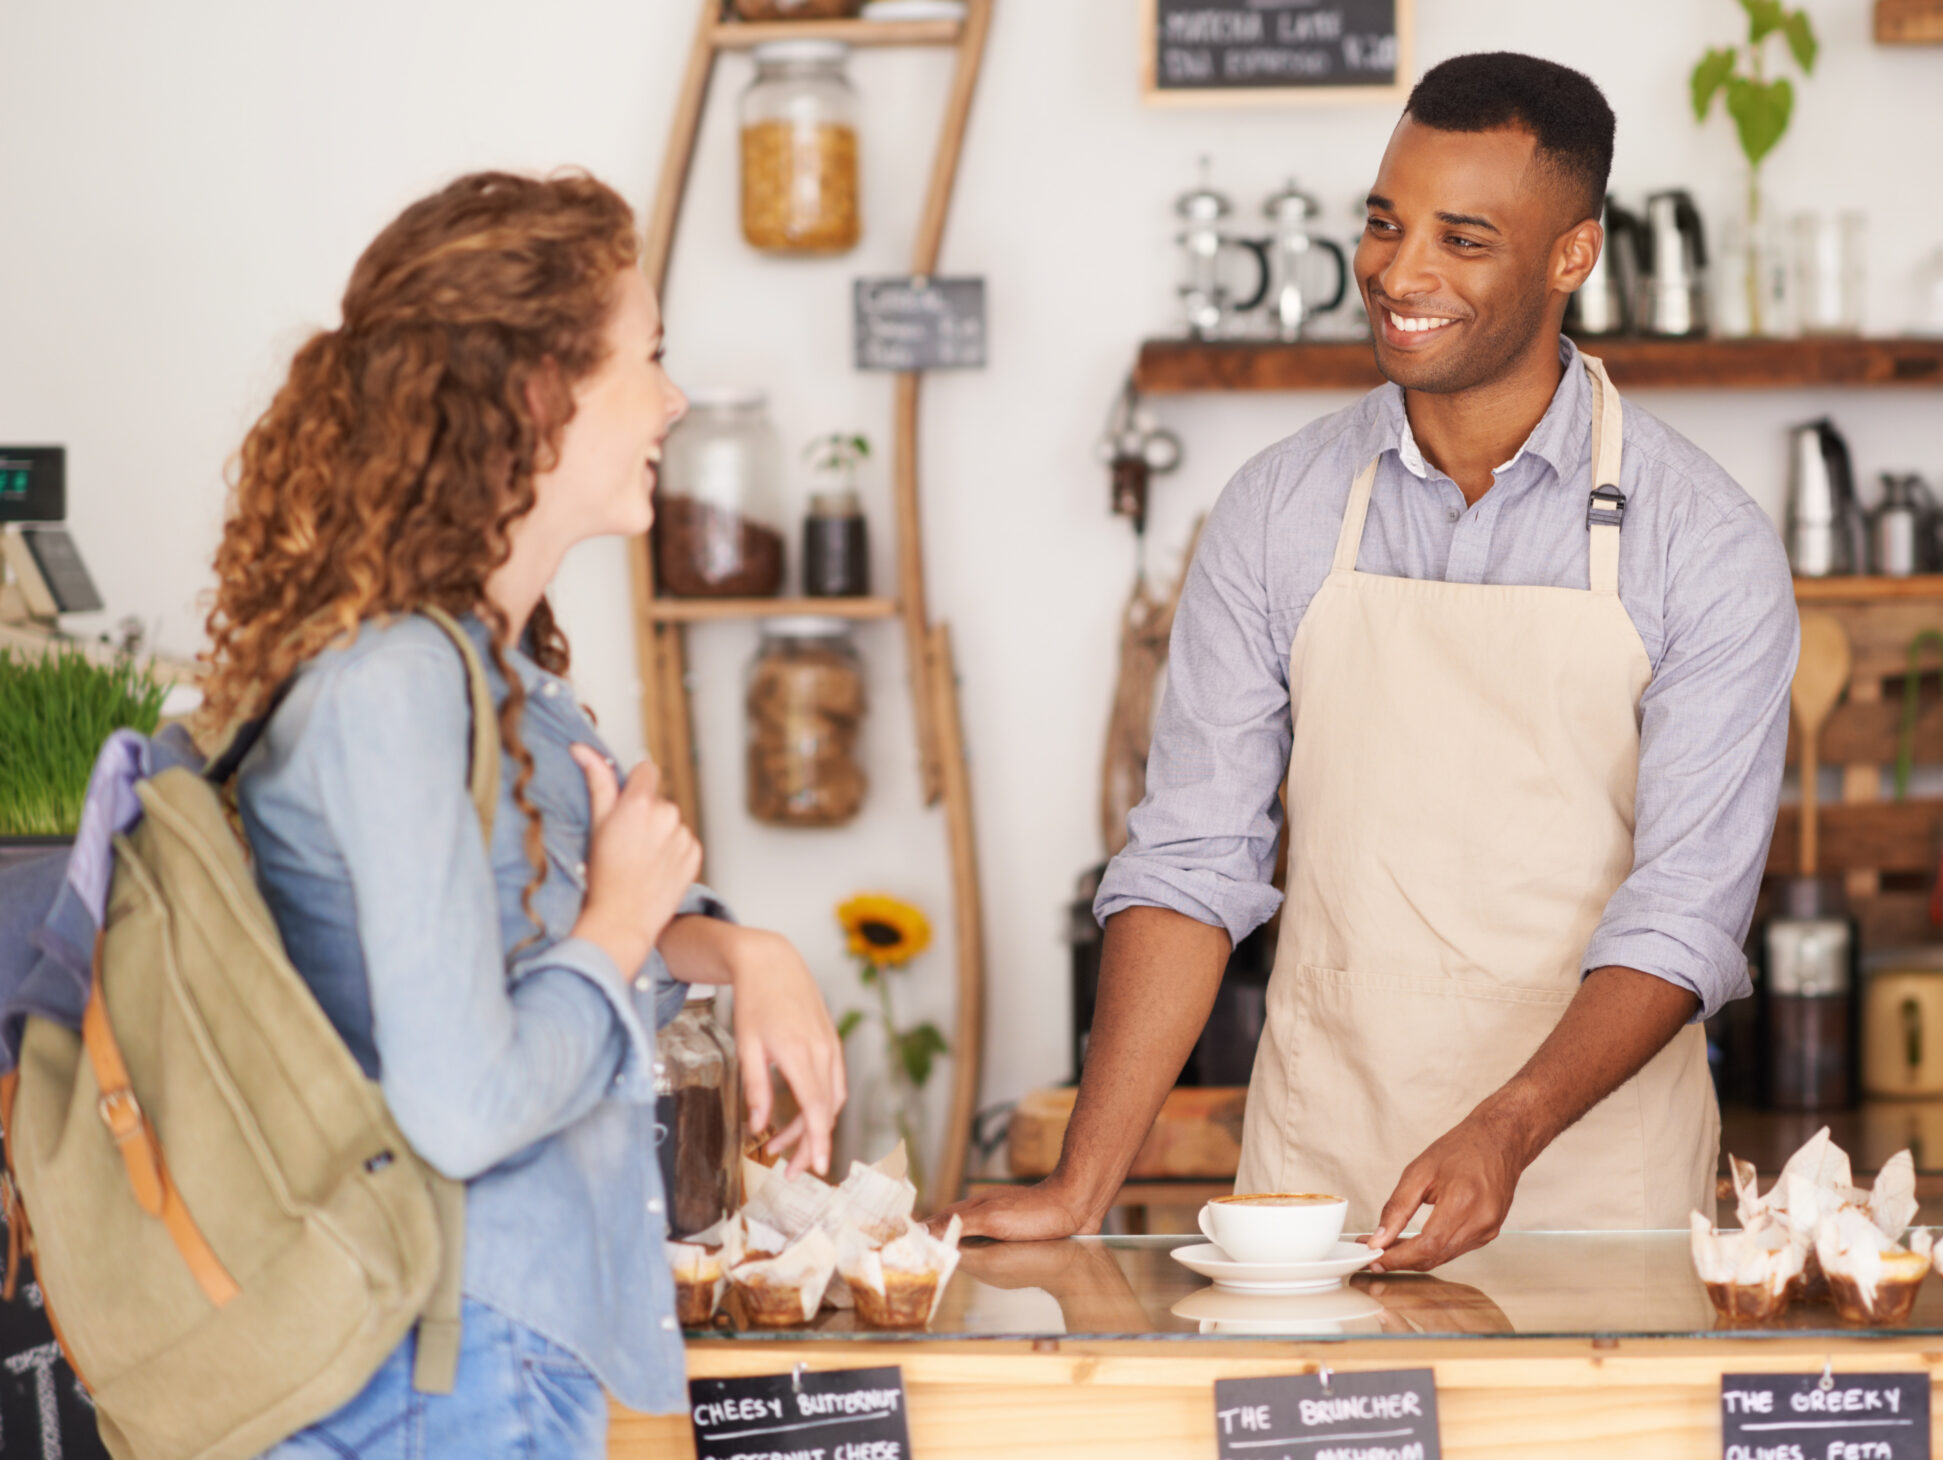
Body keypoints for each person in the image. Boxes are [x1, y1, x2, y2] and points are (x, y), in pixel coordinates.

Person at [948, 53, 1795, 1270]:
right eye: (1385, 223)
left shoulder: (1701, 543)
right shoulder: (1276, 511)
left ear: (1572, 256)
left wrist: (1505, 1129)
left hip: (1598, 1197)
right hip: (1314, 1199)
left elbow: (1683, 918)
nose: (1400, 274)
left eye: (1462, 239)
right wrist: (1082, 1183)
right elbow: (1191, 860)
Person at [198, 171, 846, 1455]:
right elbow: (465, 1101)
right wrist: (619, 920)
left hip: (482, 1356)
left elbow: (527, 935)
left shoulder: (499, 677)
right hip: (440, 1373)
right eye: (649, 360)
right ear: (542, 389)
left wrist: (721, 941)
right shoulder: (400, 683)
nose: (673, 400)